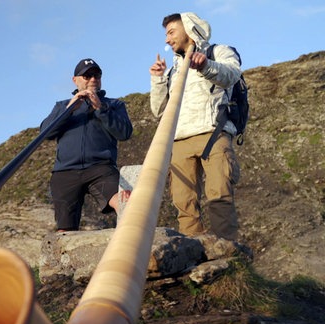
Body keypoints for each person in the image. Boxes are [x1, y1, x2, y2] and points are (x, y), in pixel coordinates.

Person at [149, 12, 242, 241]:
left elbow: (231, 75)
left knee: (219, 195)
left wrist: (206, 65)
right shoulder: (173, 70)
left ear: (188, 28)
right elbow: (159, 111)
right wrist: (159, 79)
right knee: (183, 201)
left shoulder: (218, 51)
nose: (167, 40)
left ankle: (228, 254)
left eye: (171, 32)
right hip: (179, 139)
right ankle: (193, 252)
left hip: (213, 133)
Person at [40, 57, 133, 232]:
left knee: (125, 203)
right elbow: (46, 133)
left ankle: (132, 246)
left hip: (100, 168)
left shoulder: (114, 105)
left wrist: (101, 109)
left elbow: (125, 133)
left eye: (96, 75)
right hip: (65, 172)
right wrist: (70, 108)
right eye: (87, 76)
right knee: (65, 230)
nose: (92, 79)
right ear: (75, 80)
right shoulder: (61, 106)